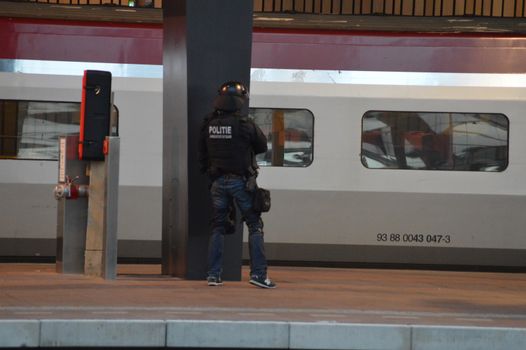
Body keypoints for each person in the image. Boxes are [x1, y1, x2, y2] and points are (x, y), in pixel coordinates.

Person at [198, 81, 276, 289]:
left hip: (217, 182)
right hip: (241, 182)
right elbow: (261, 146)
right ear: (239, 101)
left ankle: (213, 275)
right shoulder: (245, 124)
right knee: (254, 225)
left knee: (217, 227)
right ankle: (258, 275)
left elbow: (202, 153)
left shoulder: (209, 123)